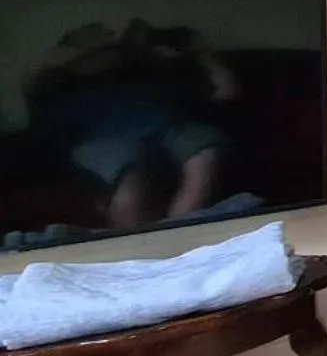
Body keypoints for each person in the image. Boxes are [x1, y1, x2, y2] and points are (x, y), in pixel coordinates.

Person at [23, 19, 238, 233]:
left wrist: (202, 53)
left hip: (172, 129)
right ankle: (144, 246)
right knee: (131, 174)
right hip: (107, 141)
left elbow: (227, 95)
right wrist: (97, 46)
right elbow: (37, 88)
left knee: (205, 153)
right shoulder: (62, 92)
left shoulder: (151, 75)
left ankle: (176, 235)